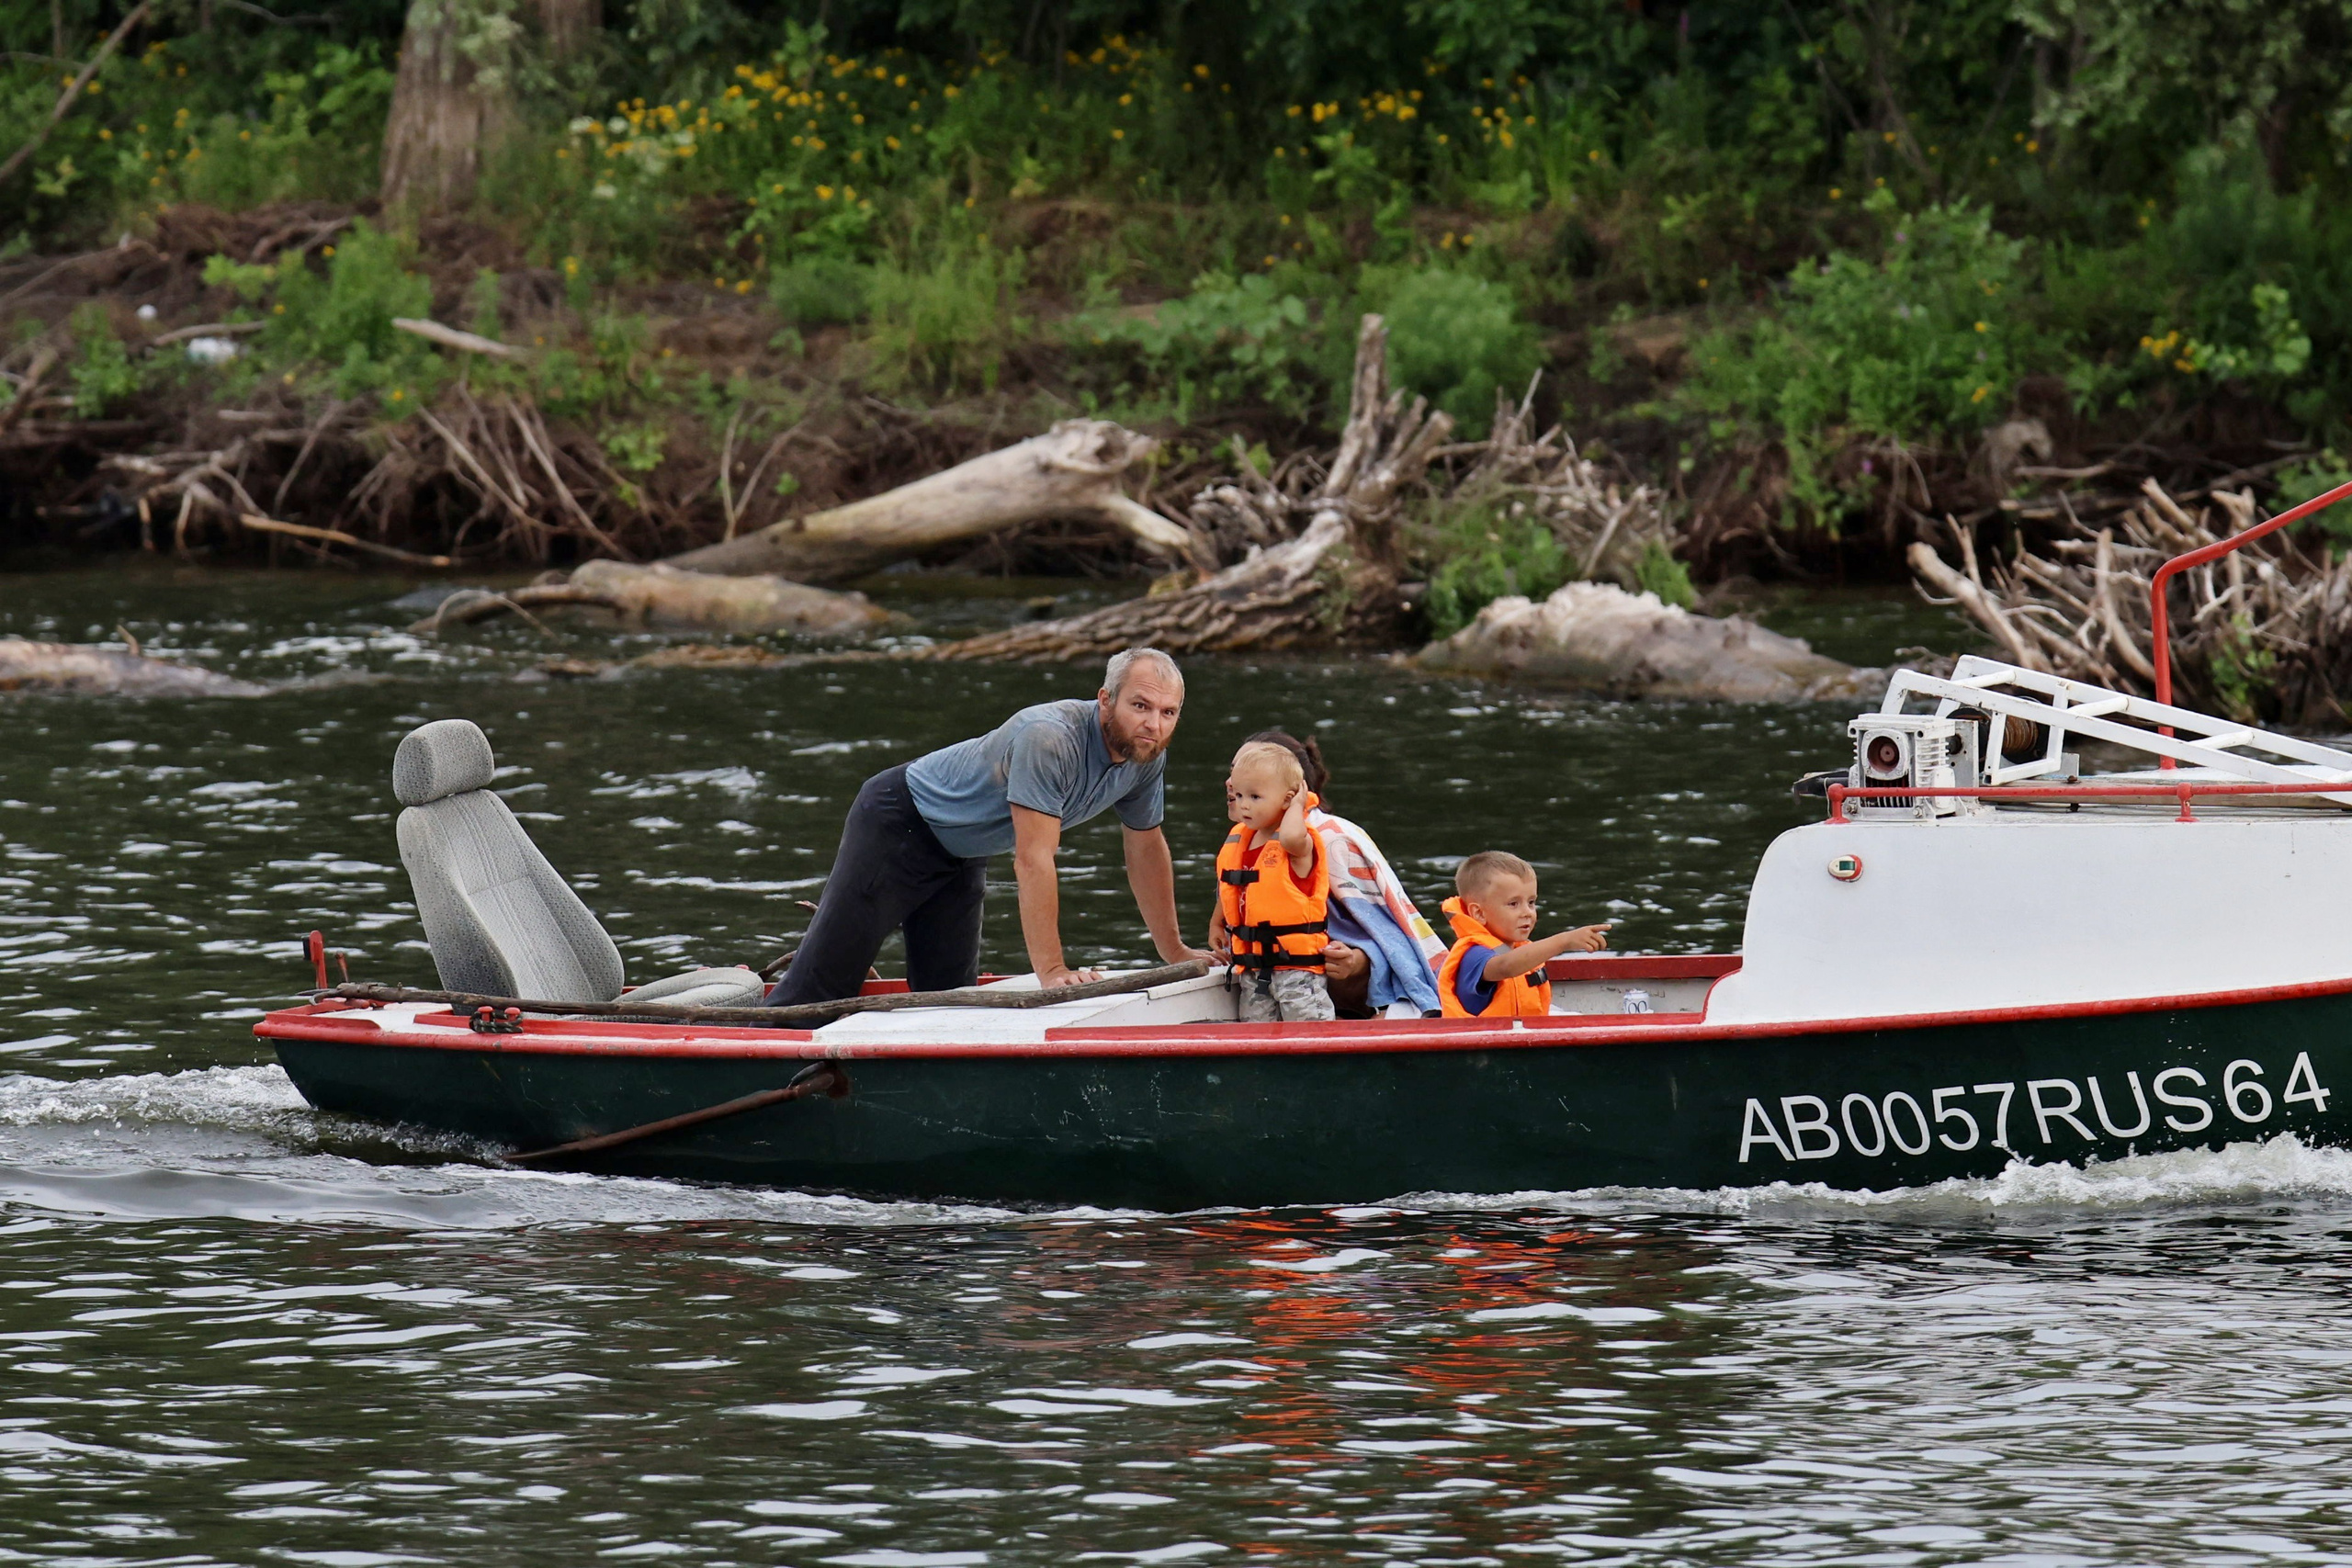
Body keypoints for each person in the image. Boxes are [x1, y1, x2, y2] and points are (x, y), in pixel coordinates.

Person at [765, 647, 1207, 1006]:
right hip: (898, 825)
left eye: (1168, 713)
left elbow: (1147, 849)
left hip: (963, 853)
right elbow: (1033, 860)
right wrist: (1053, 972)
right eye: (1140, 706)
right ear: (1105, 699)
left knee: (949, 1002)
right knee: (815, 996)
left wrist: (1174, 952)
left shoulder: (1145, 754)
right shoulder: (1049, 739)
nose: (1153, 724)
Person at [1225, 729, 1445, 1018]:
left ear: (1289, 792)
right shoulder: (1244, 840)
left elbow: (1394, 938)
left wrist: (1357, 960)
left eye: (1249, 777)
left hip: (1339, 993)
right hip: (1265, 973)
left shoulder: (1332, 839)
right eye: (1233, 771)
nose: (1231, 782)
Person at [1213, 741, 1333, 1022]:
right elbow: (1237, 889)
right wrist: (1217, 922)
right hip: (1254, 970)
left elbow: (1291, 837)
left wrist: (1298, 806)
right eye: (1240, 795)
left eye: (1255, 797)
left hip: (1297, 971)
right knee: (1254, 1031)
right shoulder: (1242, 839)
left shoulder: (1297, 842)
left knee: (1309, 1033)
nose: (1243, 804)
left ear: (1288, 798)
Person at [1437, 850, 1611, 1019]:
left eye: (1531, 902)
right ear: (1479, 914)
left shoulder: (1519, 950)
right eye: (1513, 904)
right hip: (1484, 1045)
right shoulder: (1474, 955)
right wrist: (1564, 941)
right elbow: (1506, 967)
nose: (1527, 912)